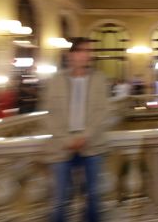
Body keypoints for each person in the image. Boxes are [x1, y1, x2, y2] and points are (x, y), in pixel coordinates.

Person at [42, 37, 110, 222]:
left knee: (94, 197)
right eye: (83, 50)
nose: (88, 55)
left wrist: (85, 136)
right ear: (71, 55)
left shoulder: (99, 79)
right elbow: (49, 114)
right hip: (61, 147)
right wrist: (66, 140)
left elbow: (102, 112)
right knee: (60, 200)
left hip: (92, 145)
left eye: (90, 51)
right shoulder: (56, 80)